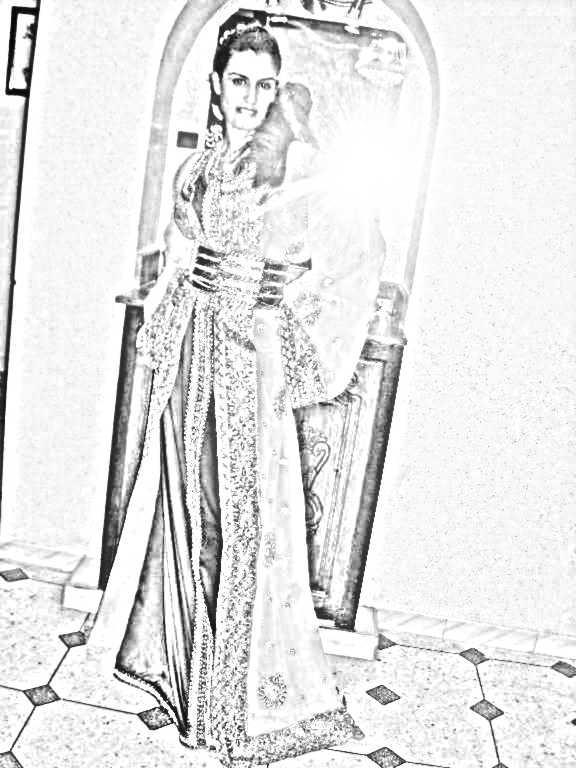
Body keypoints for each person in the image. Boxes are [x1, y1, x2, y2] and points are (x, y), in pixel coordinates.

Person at [88, 20, 386, 767]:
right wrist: (172, 316)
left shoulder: (299, 169)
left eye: (264, 84)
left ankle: (239, 704)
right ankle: (192, 684)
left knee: (248, 524)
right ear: (217, 87)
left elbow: (356, 258)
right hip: (196, 357)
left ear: (275, 91)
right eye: (239, 81)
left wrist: (287, 321)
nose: (251, 97)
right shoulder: (197, 170)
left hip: (253, 365)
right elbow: (181, 256)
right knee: (193, 510)